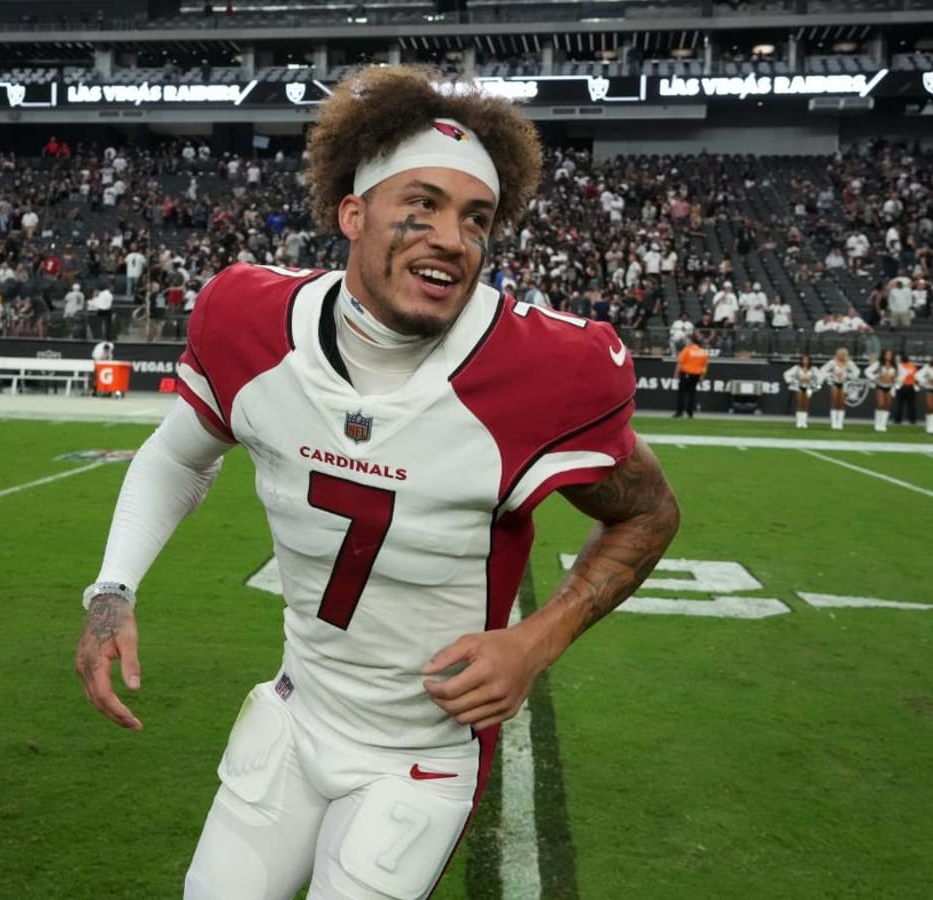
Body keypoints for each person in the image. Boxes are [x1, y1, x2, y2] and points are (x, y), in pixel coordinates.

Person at [74, 65, 681, 900]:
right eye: (422, 204)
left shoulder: (545, 370)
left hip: (420, 754)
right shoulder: (251, 321)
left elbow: (648, 514)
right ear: (351, 214)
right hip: (294, 714)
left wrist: (534, 642)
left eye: (477, 220)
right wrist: (112, 591)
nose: (451, 238)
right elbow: (180, 453)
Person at [819, 346, 861, 430]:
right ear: (837, 354)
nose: (843, 355)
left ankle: (840, 423)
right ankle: (834, 423)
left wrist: (849, 376)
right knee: (835, 403)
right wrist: (830, 375)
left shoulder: (849, 363)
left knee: (841, 404)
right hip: (835, 383)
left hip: (844, 384)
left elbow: (857, 371)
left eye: (845, 354)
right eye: (841, 353)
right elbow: (822, 370)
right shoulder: (832, 362)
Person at [672, 334, 708, 418]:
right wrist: (702, 376)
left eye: (687, 340)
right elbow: (704, 366)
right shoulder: (702, 351)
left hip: (686, 374)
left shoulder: (687, 350)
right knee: (692, 394)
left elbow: (680, 362)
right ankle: (690, 413)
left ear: (691, 341)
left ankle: (679, 412)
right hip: (696, 375)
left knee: (681, 393)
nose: (686, 341)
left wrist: (676, 373)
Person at [783, 352, 821, 429]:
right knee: (800, 404)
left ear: (810, 361)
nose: (805, 361)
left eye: (807, 360)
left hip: (809, 388)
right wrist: (796, 380)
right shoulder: (797, 368)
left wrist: (812, 380)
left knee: (806, 405)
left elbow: (820, 377)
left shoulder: (813, 369)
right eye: (804, 360)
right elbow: (786, 374)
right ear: (801, 360)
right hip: (799, 387)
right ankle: (799, 422)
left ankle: (804, 422)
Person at [864, 349, 898, 432]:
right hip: (880, 386)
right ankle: (877, 424)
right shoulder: (878, 364)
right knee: (881, 404)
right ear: (883, 355)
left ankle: (883, 424)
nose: (888, 356)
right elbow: (867, 371)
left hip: (890, 386)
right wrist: (876, 377)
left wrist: (895, 380)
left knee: (887, 405)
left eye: (890, 355)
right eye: (887, 354)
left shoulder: (895, 365)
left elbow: (900, 376)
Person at [893, 352, 918, 425]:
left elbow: (895, 376)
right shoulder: (912, 366)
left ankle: (897, 420)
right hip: (908, 387)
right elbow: (916, 377)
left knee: (899, 404)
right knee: (910, 404)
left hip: (902, 386)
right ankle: (912, 420)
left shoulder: (899, 366)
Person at [916, 355, 933, 435]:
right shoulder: (927, 367)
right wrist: (926, 381)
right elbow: (917, 375)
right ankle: (929, 426)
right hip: (930, 389)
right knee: (930, 407)